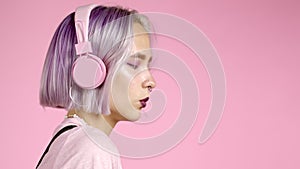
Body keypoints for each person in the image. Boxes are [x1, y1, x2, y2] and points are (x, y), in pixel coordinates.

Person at [37, 4, 156, 169]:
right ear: (89, 71)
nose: (151, 82)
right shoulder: (92, 149)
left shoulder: (72, 142)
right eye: (134, 64)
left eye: (148, 66)